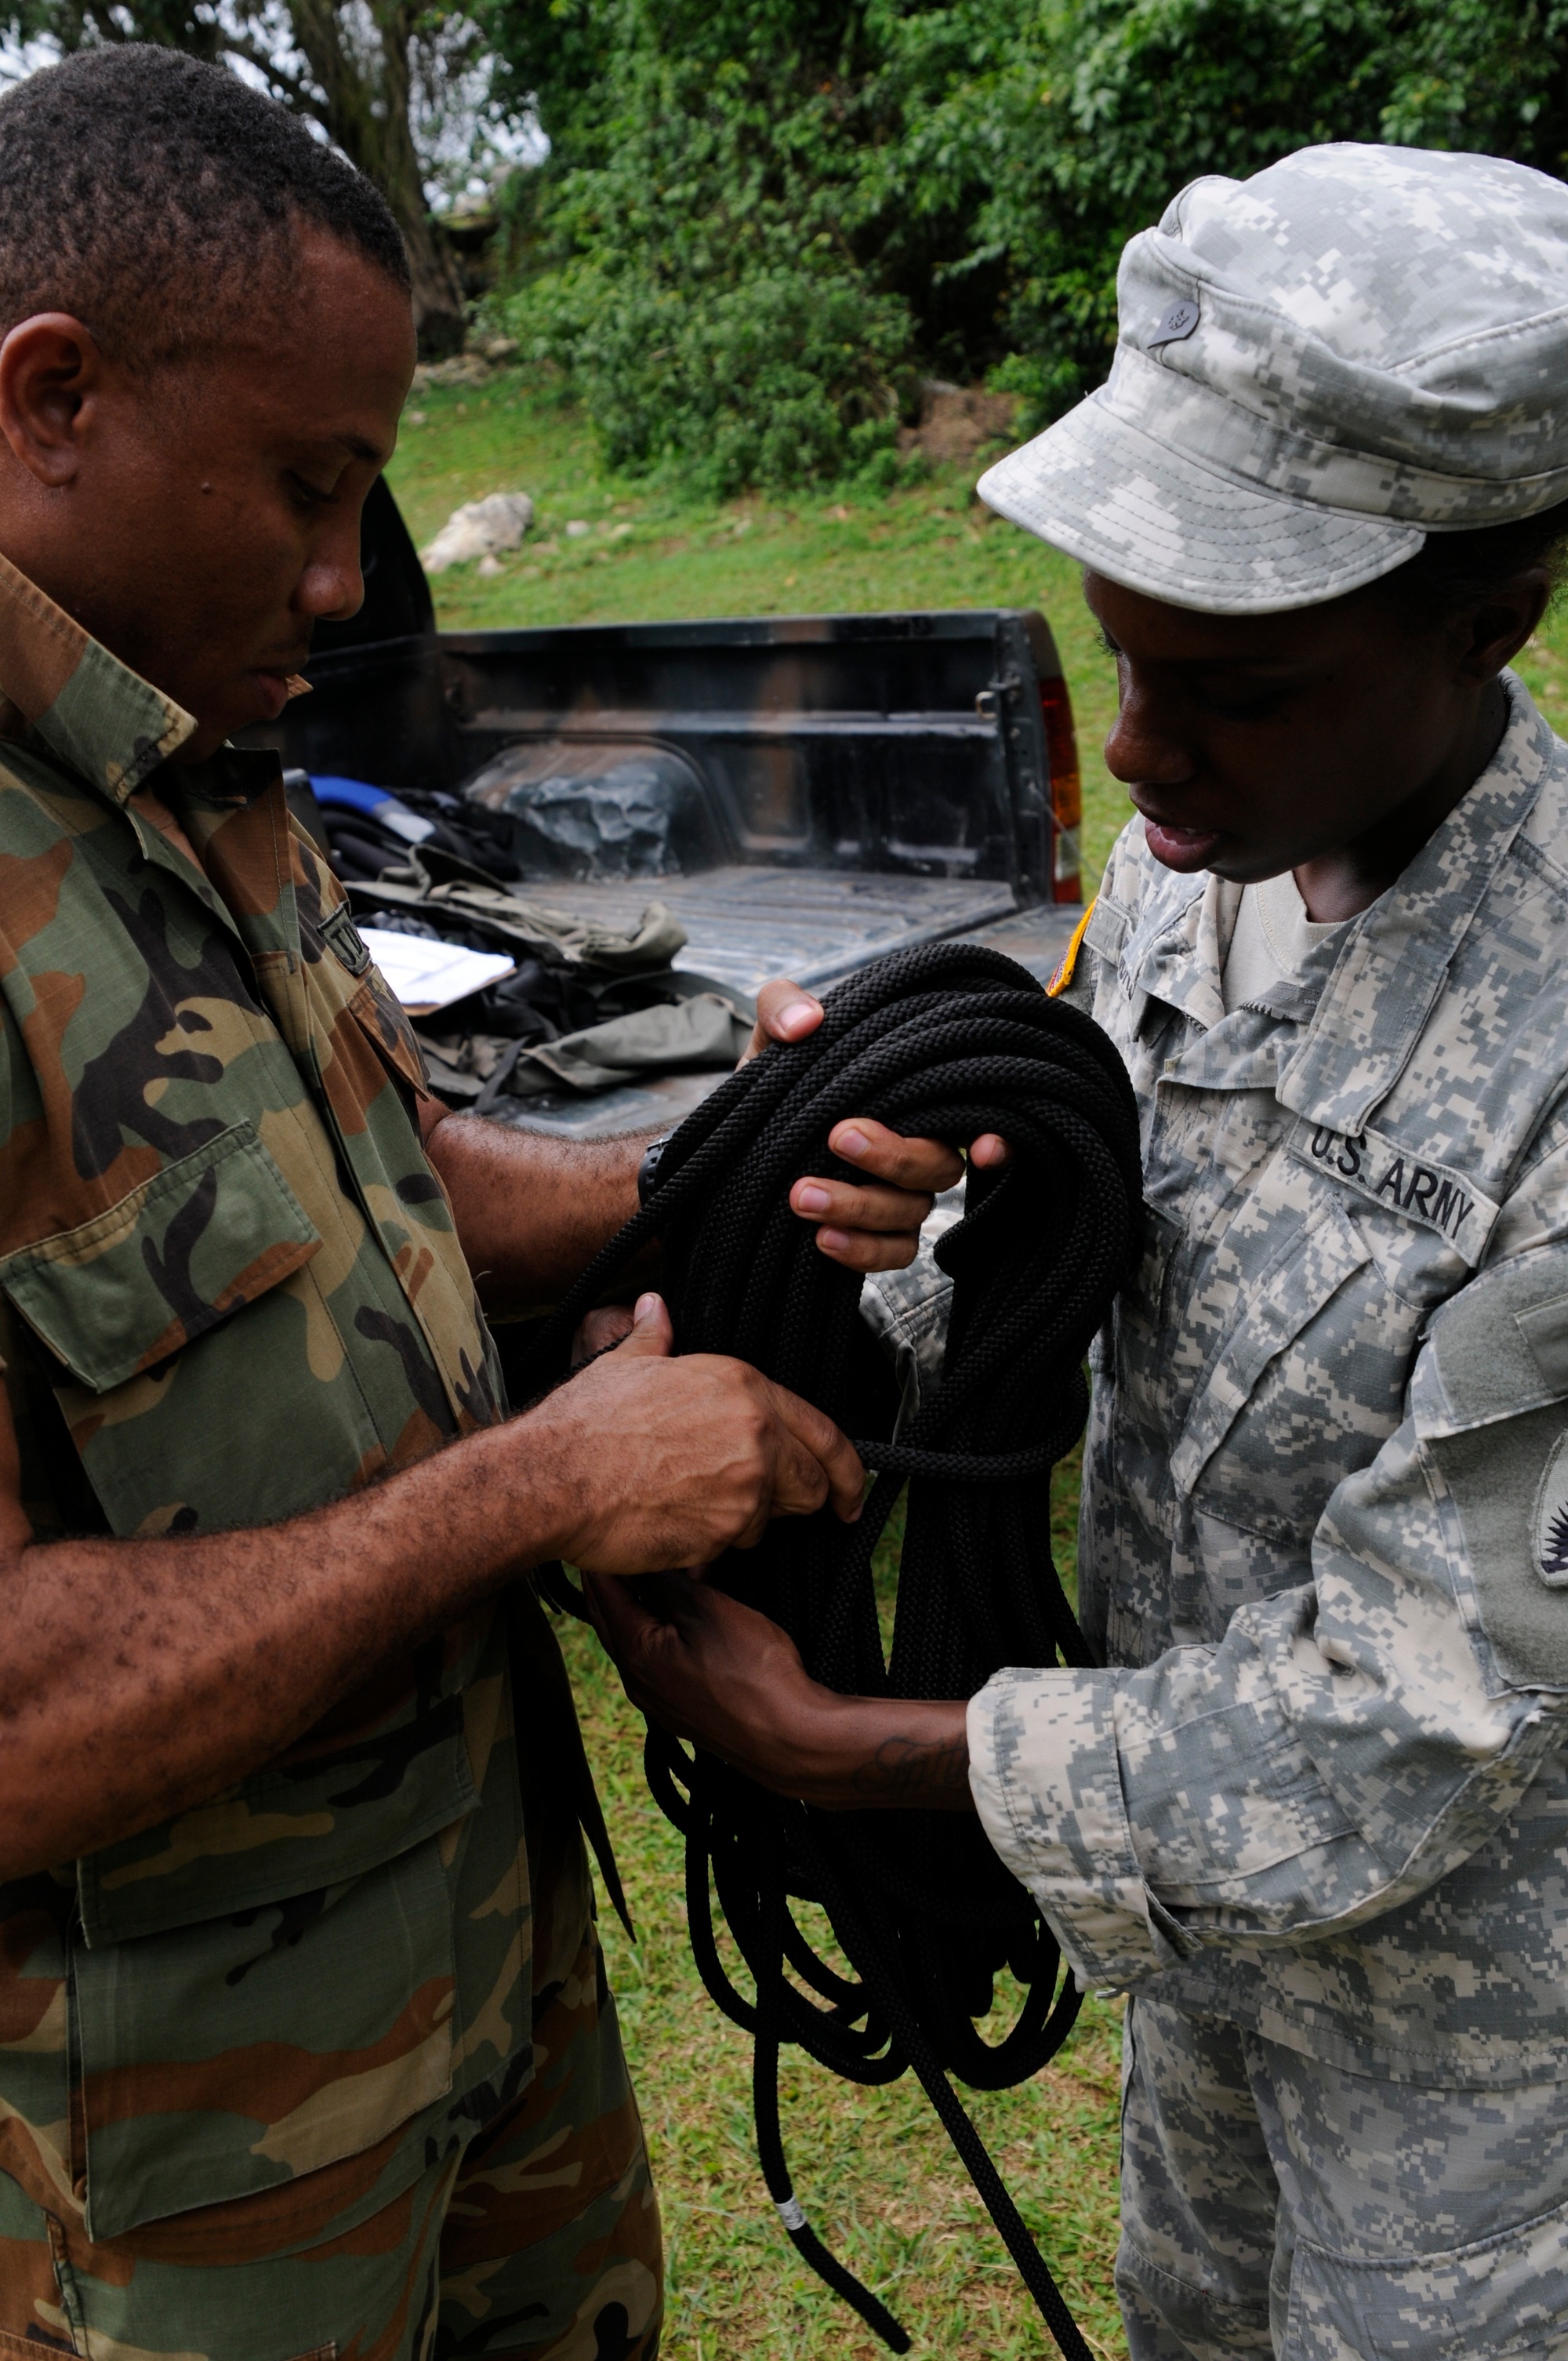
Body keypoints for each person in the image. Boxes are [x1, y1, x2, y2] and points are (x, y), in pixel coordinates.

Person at [0, 44, 993, 2357]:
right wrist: (535, 1486)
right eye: (309, 486)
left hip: (471, 1987)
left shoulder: (182, 750)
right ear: (52, 396)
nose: (351, 581)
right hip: (151, 2181)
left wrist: (714, 1172)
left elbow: (358, 1169)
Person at [593, 143, 1568, 2356]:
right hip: (1205, 2005)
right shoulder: (1197, 873)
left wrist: (867, 1746)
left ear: (1488, 611)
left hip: (1488, 2085)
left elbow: (1413, 1712)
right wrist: (900, 1250)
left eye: (1229, 683)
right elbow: (1119, 1289)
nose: (1135, 753)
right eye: (1124, 657)